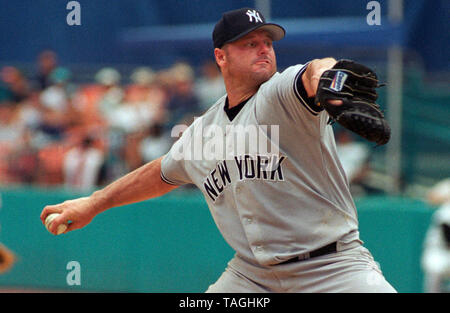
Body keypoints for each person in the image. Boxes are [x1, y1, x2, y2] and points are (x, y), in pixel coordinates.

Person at [40, 7, 396, 293]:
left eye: (267, 42)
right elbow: (161, 173)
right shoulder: (204, 130)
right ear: (220, 56)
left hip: (332, 268)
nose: (263, 49)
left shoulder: (280, 95)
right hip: (253, 277)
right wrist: (94, 202)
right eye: (249, 43)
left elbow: (315, 69)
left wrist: (328, 81)